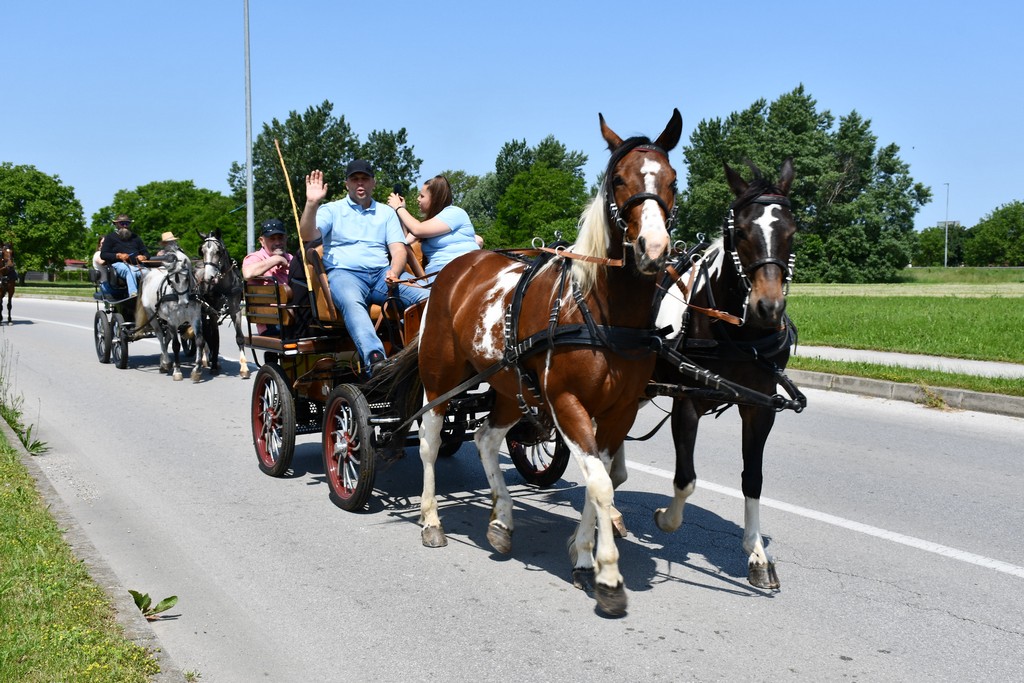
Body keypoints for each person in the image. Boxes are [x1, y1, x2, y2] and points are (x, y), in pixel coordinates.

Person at [299, 160, 428, 373]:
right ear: (346, 184)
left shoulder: (386, 213)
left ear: (373, 183)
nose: (360, 183)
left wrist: (394, 272)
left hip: (381, 276)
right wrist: (312, 203)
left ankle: (429, 354)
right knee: (352, 302)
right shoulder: (331, 210)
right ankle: (375, 360)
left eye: (365, 179)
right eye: (355, 179)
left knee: (428, 297)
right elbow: (307, 234)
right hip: (344, 274)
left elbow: (398, 250)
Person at [386, 174, 481, 281]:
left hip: (458, 269)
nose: (418, 199)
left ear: (434, 199)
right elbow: (404, 241)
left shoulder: (454, 212)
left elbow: (417, 229)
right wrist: (401, 211)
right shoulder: (429, 224)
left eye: (422, 196)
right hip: (437, 273)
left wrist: (398, 207)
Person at [99, 214, 149, 297]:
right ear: (117, 224)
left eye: (127, 223)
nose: (125, 226)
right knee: (130, 270)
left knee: (149, 272)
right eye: (122, 223)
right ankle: (133, 294)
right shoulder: (110, 237)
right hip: (118, 265)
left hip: (138, 265)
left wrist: (144, 257)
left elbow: (146, 253)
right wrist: (118, 256)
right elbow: (103, 254)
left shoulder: (136, 237)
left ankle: (149, 295)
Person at [242, 219, 293, 284]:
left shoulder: (291, 258)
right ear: (262, 241)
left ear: (286, 238)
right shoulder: (255, 258)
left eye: (280, 238)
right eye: (272, 239)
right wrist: (277, 259)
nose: (277, 243)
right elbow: (247, 274)